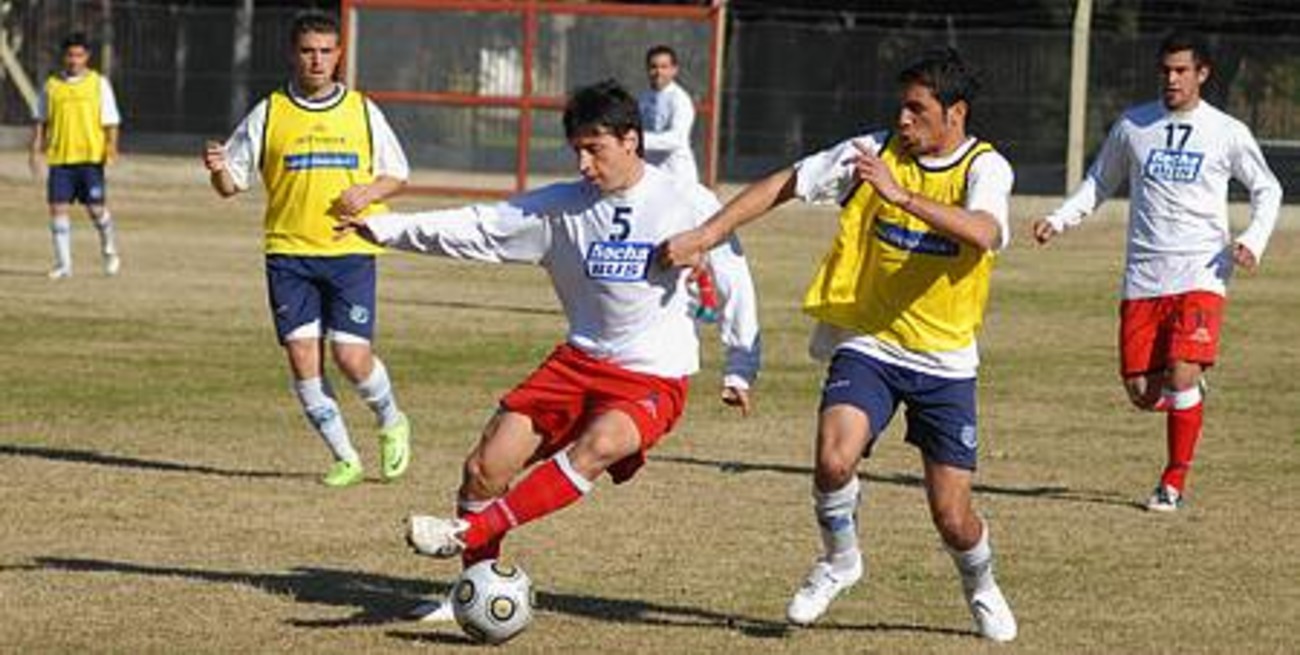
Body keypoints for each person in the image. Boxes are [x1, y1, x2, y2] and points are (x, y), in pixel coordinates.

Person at [336, 79, 760, 615]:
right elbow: (478, 227)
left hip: (653, 376)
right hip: (577, 363)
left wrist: (741, 365)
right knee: (484, 468)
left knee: (601, 445)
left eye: (595, 149)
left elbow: (733, 277)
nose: (584, 163)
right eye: (577, 150)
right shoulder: (563, 207)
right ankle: (472, 593)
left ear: (631, 140)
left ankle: (464, 535)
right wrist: (387, 230)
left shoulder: (686, 201)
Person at [661, 48, 1017, 641]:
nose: (902, 120)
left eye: (916, 109)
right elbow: (786, 182)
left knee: (952, 517)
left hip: (947, 359)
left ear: (955, 112)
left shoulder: (986, 167)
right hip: (870, 341)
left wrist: (901, 197)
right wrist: (708, 232)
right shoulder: (872, 152)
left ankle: (980, 585)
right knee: (832, 458)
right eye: (900, 107)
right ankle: (840, 560)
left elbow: (984, 232)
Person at [1032, 30, 1282, 513]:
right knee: (1143, 394)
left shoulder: (1227, 131)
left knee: (1181, 375)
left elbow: (1266, 190)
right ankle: (1185, 394)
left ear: (1202, 74)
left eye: (1182, 71)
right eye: (1166, 70)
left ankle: (1172, 480)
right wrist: (1060, 219)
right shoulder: (1133, 125)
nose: (1172, 79)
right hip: (1145, 274)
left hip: (1203, 271)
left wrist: (1252, 239)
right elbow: (1099, 181)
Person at [201, 11, 413, 488]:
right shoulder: (269, 112)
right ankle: (345, 457)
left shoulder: (362, 110)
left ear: (339, 55)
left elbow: (397, 172)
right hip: (288, 253)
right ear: (293, 55)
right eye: (307, 51)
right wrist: (216, 167)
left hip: (351, 250)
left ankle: (392, 421)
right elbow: (231, 184)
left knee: (351, 358)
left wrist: (369, 193)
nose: (317, 60)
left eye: (325, 51)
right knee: (301, 357)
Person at [31, 32, 123, 279]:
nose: (74, 60)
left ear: (87, 57)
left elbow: (111, 120)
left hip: (90, 159)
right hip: (60, 159)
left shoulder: (98, 83)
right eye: (70, 55)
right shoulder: (51, 86)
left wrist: (112, 148)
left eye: (79, 55)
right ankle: (64, 265)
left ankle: (110, 251)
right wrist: (35, 151)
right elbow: (41, 121)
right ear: (64, 57)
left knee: (96, 210)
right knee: (57, 209)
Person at [638, 44, 698, 184]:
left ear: (674, 70)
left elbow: (676, 139)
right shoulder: (644, 98)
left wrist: (637, 139)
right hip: (651, 176)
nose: (658, 71)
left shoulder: (680, 99)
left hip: (677, 176)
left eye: (664, 67)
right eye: (654, 67)